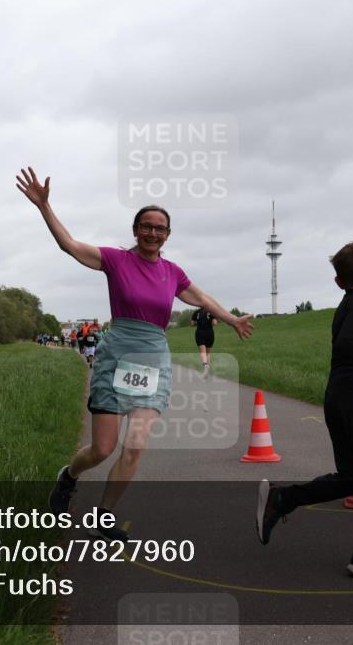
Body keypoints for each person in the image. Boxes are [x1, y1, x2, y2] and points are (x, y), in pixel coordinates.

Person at [16, 166, 254, 541]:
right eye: (147, 226)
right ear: (135, 230)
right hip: (116, 357)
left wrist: (231, 319)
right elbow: (70, 245)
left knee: (135, 446)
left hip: (152, 360)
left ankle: (103, 518)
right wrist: (45, 208)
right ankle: (69, 476)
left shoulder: (173, 272)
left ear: (168, 235)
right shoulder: (115, 260)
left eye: (160, 228)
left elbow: (202, 298)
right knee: (102, 449)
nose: (153, 232)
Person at [256, 242, 353, 578]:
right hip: (352, 396)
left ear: (338, 281)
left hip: (341, 393)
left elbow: (348, 351)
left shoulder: (348, 304)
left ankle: (282, 500)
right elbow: (345, 346)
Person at [190, 307, 217, 377]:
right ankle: (207, 371)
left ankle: (205, 365)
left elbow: (192, 323)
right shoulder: (211, 311)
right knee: (208, 352)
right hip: (210, 333)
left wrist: (198, 322)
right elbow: (214, 323)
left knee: (202, 351)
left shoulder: (196, 312)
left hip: (200, 332)